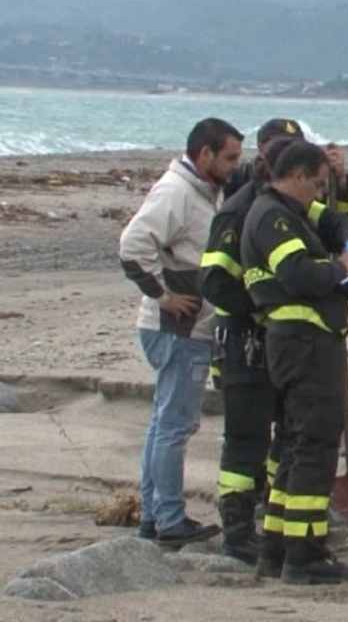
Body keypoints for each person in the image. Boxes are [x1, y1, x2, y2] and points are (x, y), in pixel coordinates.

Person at [200, 131, 348, 565]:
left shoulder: (289, 208)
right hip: (273, 339)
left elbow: (335, 222)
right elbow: (287, 275)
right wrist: (339, 270)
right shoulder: (262, 214)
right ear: (291, 173)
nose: (319, 193)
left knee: (292, 443)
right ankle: (284, 547)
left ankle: (276, 543)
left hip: (289, 337)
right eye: (316, 182)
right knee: (291, 442)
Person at [118, 117, 243, 546]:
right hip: (177, 328)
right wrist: (163, 296)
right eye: (228, 158)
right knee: (175, 425)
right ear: (204, 154)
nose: (233, 167)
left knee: (164, 423)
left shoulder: (202, 191)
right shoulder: (177, 192)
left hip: (184, 327)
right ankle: (169, 520)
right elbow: (132, 246)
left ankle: (155, 516)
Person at [226, 118, 348, 219]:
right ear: (261, 148)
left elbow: (341, 220)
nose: (288, 153)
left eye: (294, 147)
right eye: (282, 146)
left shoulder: (306, 181)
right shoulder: (239, 178)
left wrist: (341, 183)